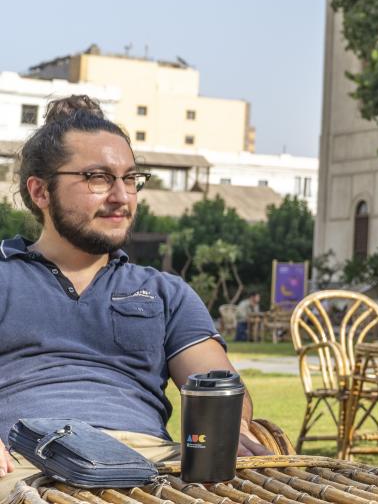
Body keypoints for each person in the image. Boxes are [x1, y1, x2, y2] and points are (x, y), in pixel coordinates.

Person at [0, 97, 266, 498]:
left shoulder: (165, 291)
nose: (122, 197)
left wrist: (233, 425)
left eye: (130, 179)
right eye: (98, 178)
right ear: (40, 191)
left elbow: (217, 384)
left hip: (149, 465)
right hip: (22, 463)